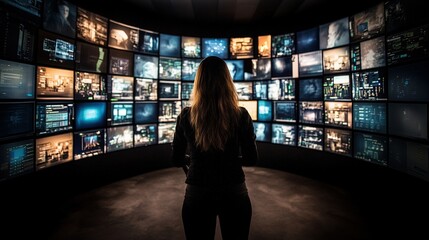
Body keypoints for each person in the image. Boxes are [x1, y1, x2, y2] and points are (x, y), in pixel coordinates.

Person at [171, 56, 259, 240]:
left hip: (197, 192)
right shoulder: (241, 115)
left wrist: (195, 162)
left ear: (199, 82)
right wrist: (231, 161)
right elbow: (252, 159)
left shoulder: (185, 115)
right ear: (228, 81)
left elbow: (176, 159)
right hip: (234, 190)